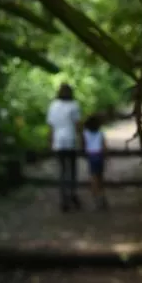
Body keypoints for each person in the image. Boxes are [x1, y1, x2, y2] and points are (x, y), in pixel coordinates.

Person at [46, 83, 81, 212]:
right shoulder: (74, 105)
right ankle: (72, 194)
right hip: (70, 141)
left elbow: (50, 126)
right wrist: (82, 140)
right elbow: (78, 125)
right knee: (71, 170)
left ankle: (63, 198)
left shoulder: (53, 106)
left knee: (62, 171)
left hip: (59, 142)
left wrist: (50, 142)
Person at [83, 114, 108, 210]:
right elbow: (104, 145)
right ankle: (102, 196)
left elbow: (83, 144)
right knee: (100, 176)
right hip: (99, 155)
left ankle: (96, 197)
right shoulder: (100, 133)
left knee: (93, 177)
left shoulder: (85, 133)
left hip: (91, 155)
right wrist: (106, 155)